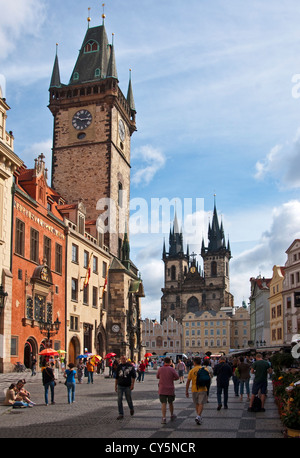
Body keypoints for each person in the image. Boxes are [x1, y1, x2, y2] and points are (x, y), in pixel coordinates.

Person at [186, 357, 209, 425]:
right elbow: (208, 379)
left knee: (197, 403)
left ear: (194, 362)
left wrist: (186, 391)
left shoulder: (192, 370)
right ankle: (198, 416)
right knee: (201, 403)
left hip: (194, 389)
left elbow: (188, 381)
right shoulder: (205, 369)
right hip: (203, 388)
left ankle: (198, 416)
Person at [156, 356, 179, 424]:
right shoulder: (172, 369)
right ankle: (172, 415)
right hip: (170, 388)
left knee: (163, 403)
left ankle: (164, 417)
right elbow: (177, 377)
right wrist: (172, 379)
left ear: (164, 362)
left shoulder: (160, 369)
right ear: (170, 362)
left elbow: (157, 377)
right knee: (170, 402)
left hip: (162, 388)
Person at [115, 355, 136, 420]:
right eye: (122, 359)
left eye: (124, 359)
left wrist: (132, 384)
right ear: (120, 359)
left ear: (126, 359)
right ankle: (121, 414)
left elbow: (133, 376)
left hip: (128, 385)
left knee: (128, 399)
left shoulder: (130, 366)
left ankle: (131, 408)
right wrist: (115, 385)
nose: (123, 360)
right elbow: (116, 377)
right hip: (120, 385)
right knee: (119, 399)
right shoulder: (119, 366)